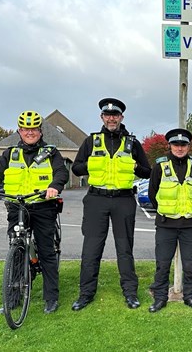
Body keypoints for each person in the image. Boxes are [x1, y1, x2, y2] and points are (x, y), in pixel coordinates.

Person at [0, 111, 69, 314]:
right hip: (17, 207)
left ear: (40, 131)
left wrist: (54, 186)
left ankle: (51, 298)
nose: (30, 132)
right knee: (17, 251)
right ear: (19, 131)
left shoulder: (50, 152)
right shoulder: (10, 153)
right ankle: (13, 298)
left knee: (46, 252)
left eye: (34, 128)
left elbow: (62, 172)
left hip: (43, 206)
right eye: (26, 129)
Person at [71, 97, 151, 311]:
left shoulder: (132, 143)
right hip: (96, 199)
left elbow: (147, 171)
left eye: (115, 115)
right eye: (108, 115)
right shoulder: (91, 141)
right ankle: (85, 294)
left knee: (125, 248)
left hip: (123, 200)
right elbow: (76, 168)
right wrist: (92, 164)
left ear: (121, 117)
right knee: (91, 249)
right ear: (102, 117)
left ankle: (130, 293)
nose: (111, 118)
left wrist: (134, 166)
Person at [147, 128, 192, 313]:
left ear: (188, 146)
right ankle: (160, 298)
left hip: (189, 224)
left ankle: (190, 296)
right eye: (176, 144)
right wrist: (167, 211)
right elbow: (152, 193)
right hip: (166, 224)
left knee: (189, 264)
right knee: (162, 264)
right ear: (170, 145)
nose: (179, 148)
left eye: (183, 145)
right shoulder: (160, 166)